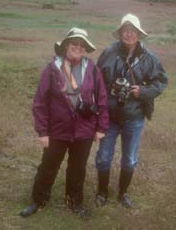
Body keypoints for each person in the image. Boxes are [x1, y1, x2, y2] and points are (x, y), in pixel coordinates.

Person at [20, 27, 109, 218]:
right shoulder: (52, 69)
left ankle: (74, 203)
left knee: (77, 170)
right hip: (57, 130)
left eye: (81, 45)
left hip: (84, 130)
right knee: (48, 167)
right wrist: (42, 131)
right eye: (74, 43)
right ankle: (38, 201)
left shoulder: (93, 70)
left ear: (85, 48)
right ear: (66, 46)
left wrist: (101, 127)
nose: (78, 47)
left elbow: (101, 99)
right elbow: (40, 102)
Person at [95, 13, 168, 208]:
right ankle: (102, 192)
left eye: (132, 31)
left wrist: (142, 91)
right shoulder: (108, 52)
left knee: (130, 159)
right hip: (109, 117)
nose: (129, 34)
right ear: (120, 33)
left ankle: (123, 193)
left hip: (134, 117)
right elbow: (96, 79)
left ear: (138, 34)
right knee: (103, 158)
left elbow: (161, 81)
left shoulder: (149, 58)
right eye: (125, 31)